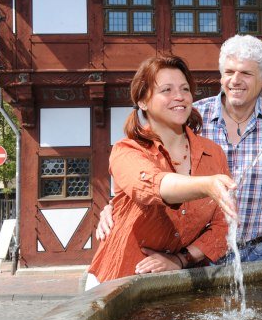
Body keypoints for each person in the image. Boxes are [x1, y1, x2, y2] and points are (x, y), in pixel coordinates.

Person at [97, 35, 262, 265]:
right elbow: (149, 166)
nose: (235, 80)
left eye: (245, 73)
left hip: (259, 249)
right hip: (198, 255)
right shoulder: (190, 116)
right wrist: (118, 206)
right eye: (229, 72)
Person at [87, 55, 237, 288]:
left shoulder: (213, 154)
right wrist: (206, 185)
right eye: (166, 90)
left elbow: (224, 226)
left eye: (185, 89)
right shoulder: (127, 150)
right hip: (117, 280)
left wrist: (181, 259)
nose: (179, 96)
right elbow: (151, 186)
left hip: (175, 282)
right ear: (143, 101)